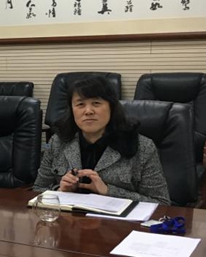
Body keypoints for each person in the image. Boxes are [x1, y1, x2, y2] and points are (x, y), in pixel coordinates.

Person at [34, 75, 170, 205]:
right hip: (69, 219)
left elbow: (161, 203)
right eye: (80, 104)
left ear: (111, 107)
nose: (88, 111)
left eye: (96, 103)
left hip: (116, 221)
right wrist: (61, 191)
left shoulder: (143, 146)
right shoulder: (58, 142)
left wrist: (108, 191)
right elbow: (38, 190)